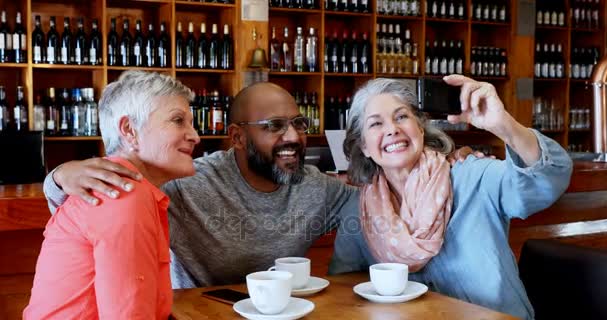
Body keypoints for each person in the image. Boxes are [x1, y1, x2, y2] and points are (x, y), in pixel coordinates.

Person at [42, 82, 476, 289]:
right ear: (236, 138)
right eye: (273, 127)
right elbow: (92, 211)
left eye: (297, 124)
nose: (292, 137)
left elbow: (380, 199)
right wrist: (60, 176)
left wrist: (443, 160)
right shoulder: (187, 182)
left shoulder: (316, 187)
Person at [328, 75, 573, 320]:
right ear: (364, 147)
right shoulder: (359, 212)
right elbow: (344, 286)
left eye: (402, 116)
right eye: (376, 124)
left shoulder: (471, 176)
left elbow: (550, 178)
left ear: (421, 127)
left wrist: (504, 126)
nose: (392, 129)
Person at [24, 71, 200, 319]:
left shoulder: (129, 189)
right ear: (130, 130)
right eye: (178, 120)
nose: (195, 136)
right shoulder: (124, 194)